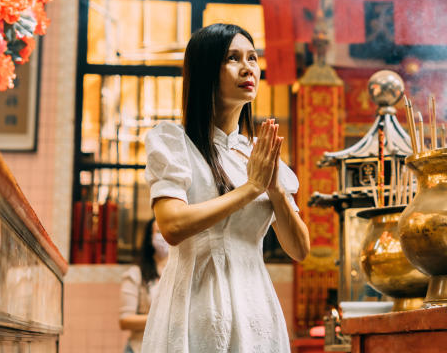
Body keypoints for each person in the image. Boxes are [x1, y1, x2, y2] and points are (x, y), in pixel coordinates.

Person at [142, 23, 311, 352]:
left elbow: (300, 250)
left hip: (256, 307)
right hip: (197, 305)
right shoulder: (174, 142)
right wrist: (250, 189)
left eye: (253, 58)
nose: (248, 67)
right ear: (206, 70)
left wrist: (275, 191)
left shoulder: (257, 155)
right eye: (233, 58)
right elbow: (172, 226)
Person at [119, 218, 169, 353]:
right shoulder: (135, 274)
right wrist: (163, 318)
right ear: (149, 238)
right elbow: (125, 321)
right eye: (159, 232)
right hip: (140, 348)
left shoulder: (181, 272)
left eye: (167, 231)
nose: (164, 236)